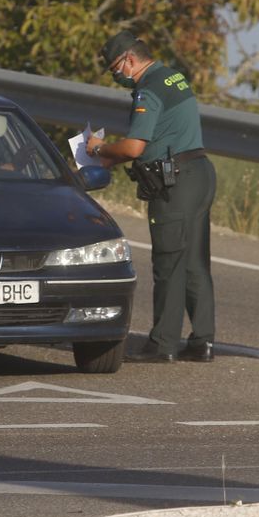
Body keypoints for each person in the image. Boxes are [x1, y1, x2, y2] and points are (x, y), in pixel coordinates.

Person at [86, 30, 217, 363]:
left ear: (130, 60)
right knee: (194, 261)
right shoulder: (173, 76)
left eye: (117, 67)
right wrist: (113, 157)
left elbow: (134, 146)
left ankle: (162, 344)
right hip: (200, 173)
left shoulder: (148, 91)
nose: (118, 76)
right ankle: (202, 341)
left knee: (168, 262)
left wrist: (99, 149)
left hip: (175, 183)